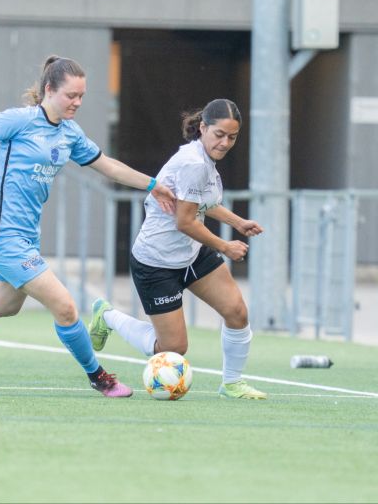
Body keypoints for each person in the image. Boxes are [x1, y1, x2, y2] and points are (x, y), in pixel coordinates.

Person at [0, 55, 176, 398]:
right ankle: (99, 377)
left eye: (81, 96)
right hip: (0, 233)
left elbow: (108, 166)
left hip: (25, 236)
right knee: (65, 306)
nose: (77, 102)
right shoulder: (20, 120)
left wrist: (153, 185)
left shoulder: (70, 133)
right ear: (49, 89)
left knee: (4, 305)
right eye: (71, 95)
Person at [88, 98, 267, 399]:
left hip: (191, 254)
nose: (225, 143)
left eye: (232, 137)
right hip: (156, 262)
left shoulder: (204, 161)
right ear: (203, 128)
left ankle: (232, 383)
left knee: (236, 311)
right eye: (219, 134)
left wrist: (238, 222)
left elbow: (201, 203)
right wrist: (225, 246)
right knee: (173, 348)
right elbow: (185, 221)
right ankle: (107, 316)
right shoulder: (193, 163)